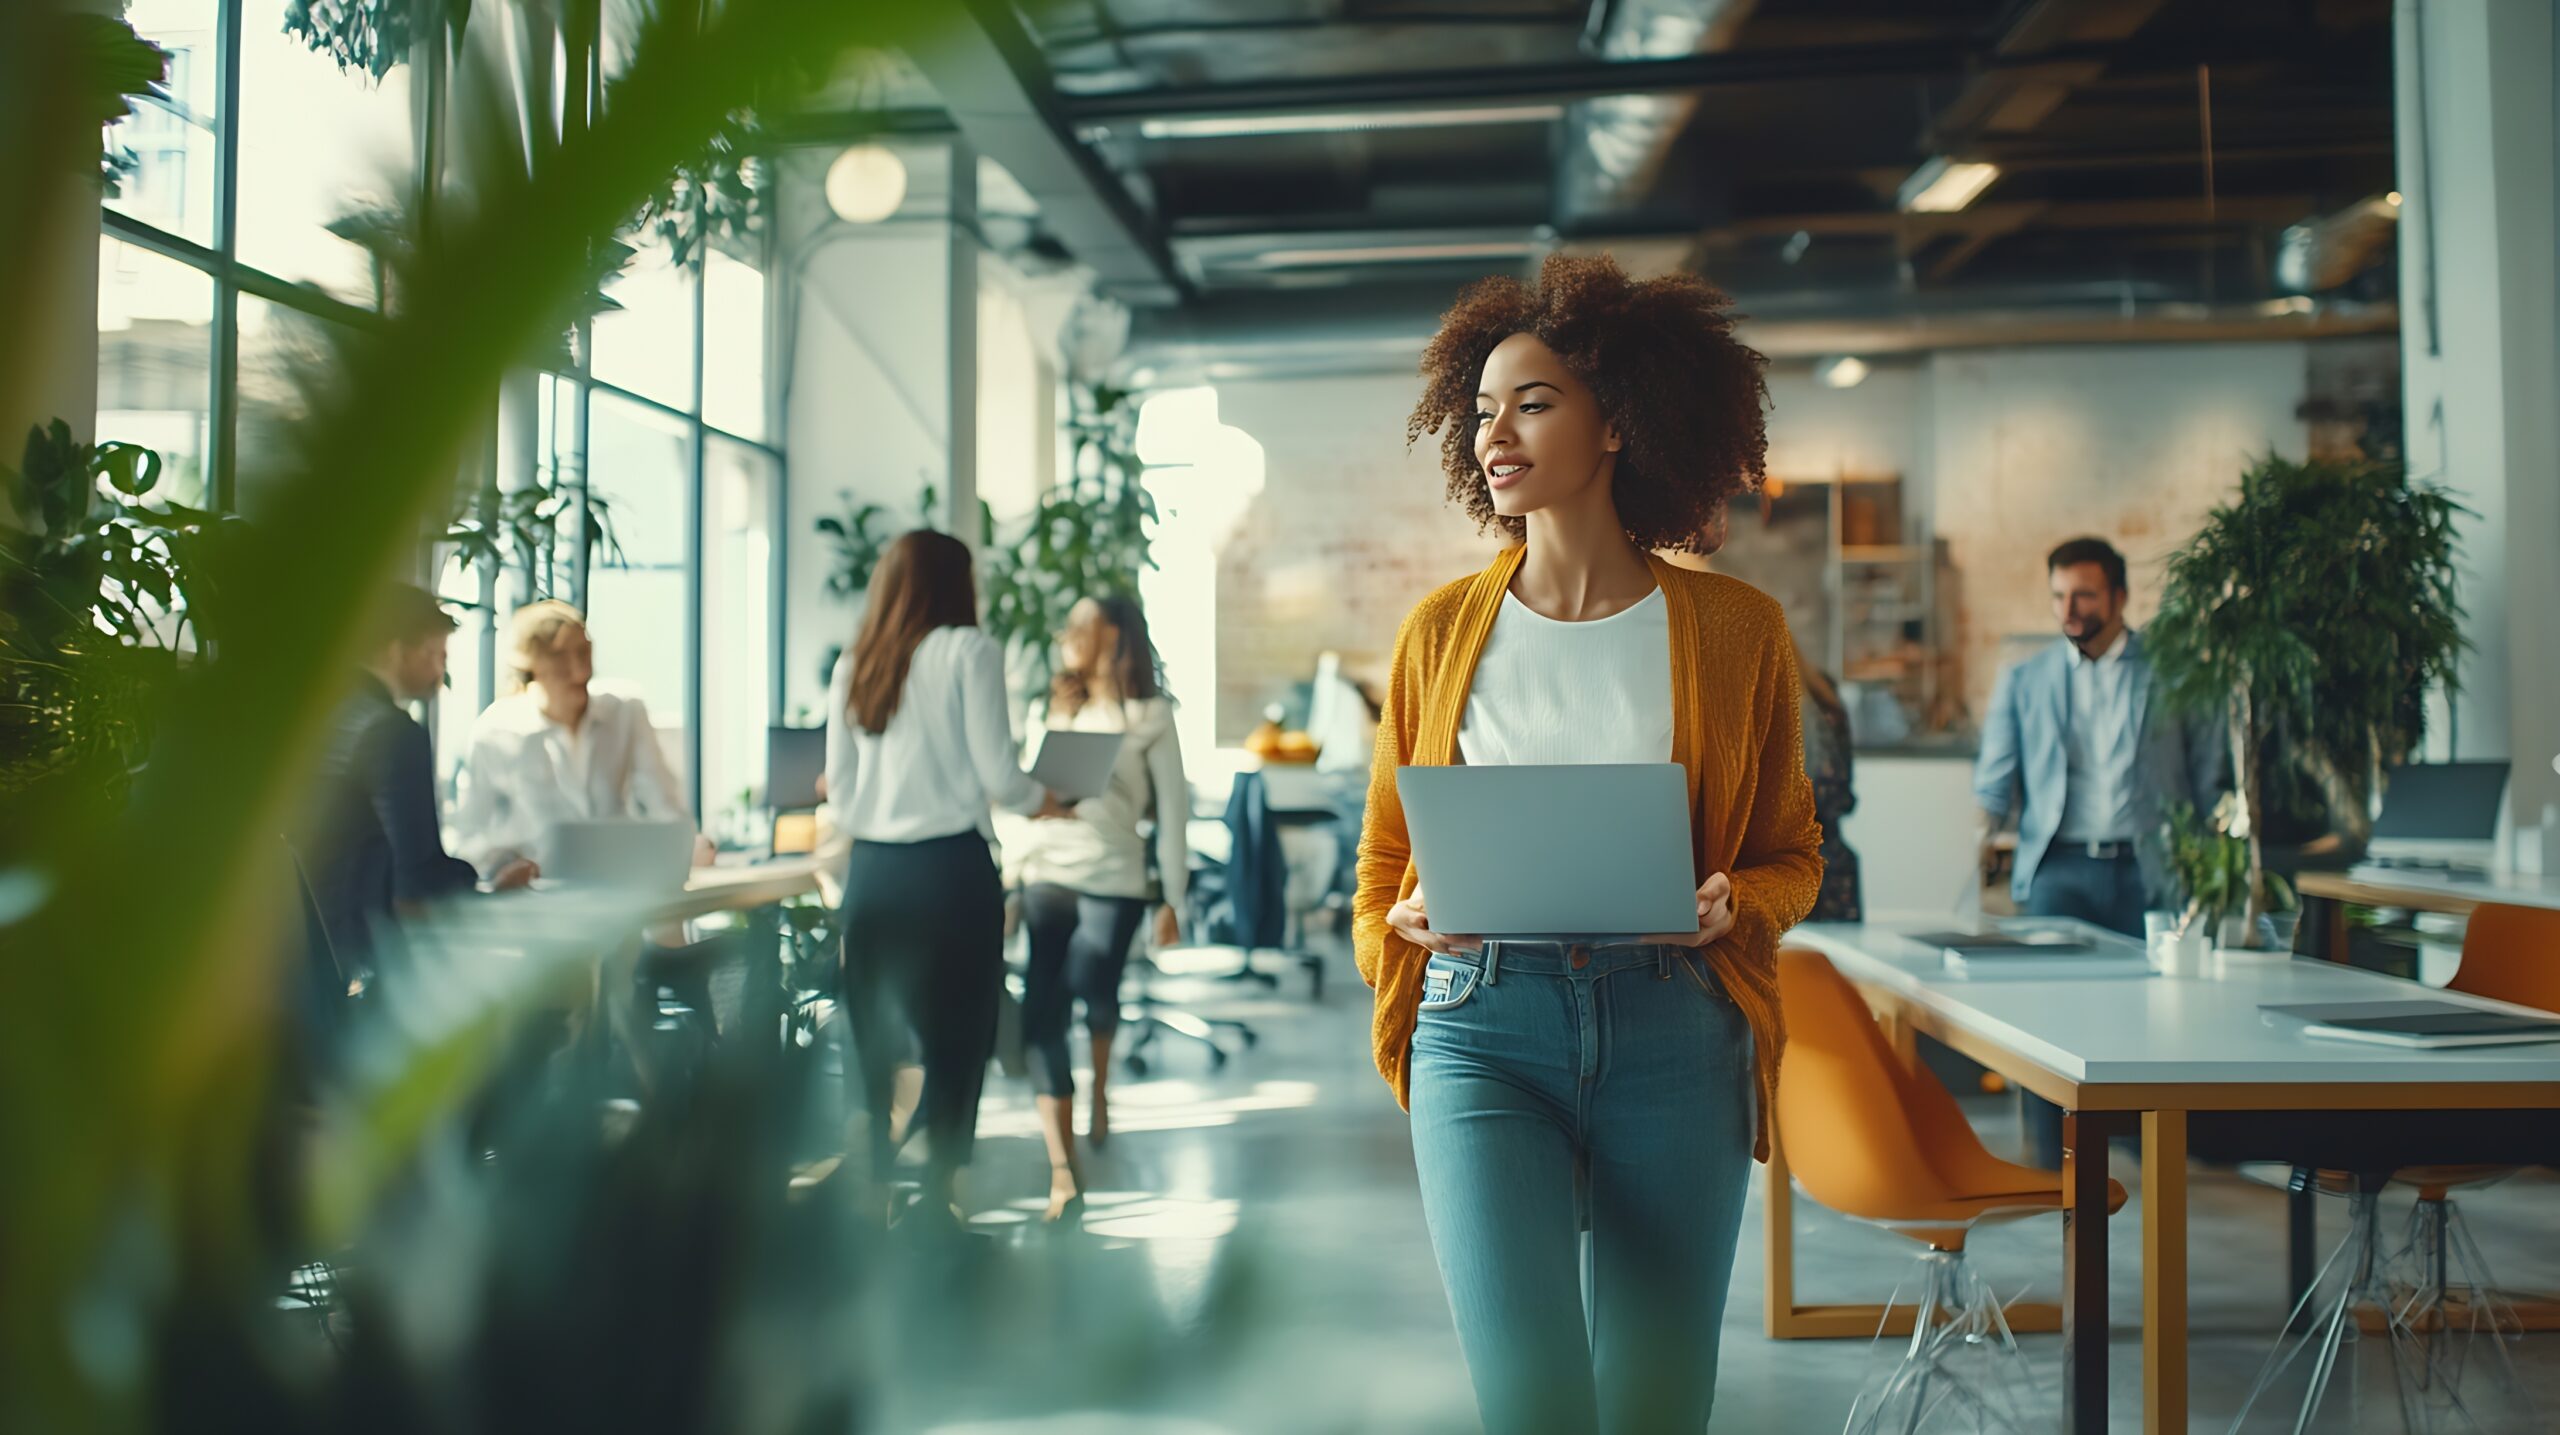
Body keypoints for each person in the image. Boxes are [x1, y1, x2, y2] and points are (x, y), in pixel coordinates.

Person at [1356, 253, 1824, 1435]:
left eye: (1532, 402)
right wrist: (1400, 930)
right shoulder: (1437, 633)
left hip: (1676, 1026)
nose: (1493, 435)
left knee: (1657, 1404)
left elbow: (1792, 852)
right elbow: (1378, 868)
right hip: (1480, 1028)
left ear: (1617, 421)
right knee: (1531, 1404)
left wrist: (1738, 903)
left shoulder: (1734, 629)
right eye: (1479, 412)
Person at [824, 530, 1058, 1228]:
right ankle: (937, 1201)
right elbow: (999, 776)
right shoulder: (968, 650)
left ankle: (871, 1189)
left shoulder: (855, 662)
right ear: (957, 584)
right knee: (958, 1036)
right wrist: (1045, 798)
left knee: (874, 1033)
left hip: (872, 873)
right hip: (949, 872)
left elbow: (839, 791)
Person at [1974, 535, 2224, 1165]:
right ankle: (2048, 1162)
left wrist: (2210, 865)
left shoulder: (2175, 670)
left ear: (2118, 596)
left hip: (2150, 871)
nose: (2069, 609)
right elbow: (1994, 780)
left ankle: (2152, 1156)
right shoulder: (2025, 678)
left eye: (2083, 594)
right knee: (2046, 1018)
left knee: (2152, 1019)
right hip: (2059, 868)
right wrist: (1980, 842)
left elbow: (2208, 776)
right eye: (2059, 595)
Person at [1012, 594, 1188, 1223]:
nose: (1068, 633)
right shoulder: (1049, 706)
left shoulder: (1150, 716)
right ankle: (1064, 1169)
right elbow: (1027, 800)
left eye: (1084, 623)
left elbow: (1172, 813)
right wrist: (1011, 879)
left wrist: (1172, 897)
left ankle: (1101, 1094)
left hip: (1114, 873)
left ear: (1114, 635)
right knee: (1043, 1009)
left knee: (1097, 988)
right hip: (1048, 869)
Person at [297, 585, 536, 1009]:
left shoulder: (315, 717)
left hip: (301, 965)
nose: (441, 673)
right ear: (394, 651)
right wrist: (488, 887)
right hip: (366, 969)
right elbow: (417, 884)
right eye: (435, 654)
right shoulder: (392, 732)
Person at [1665, 504, 1862, 922]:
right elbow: (1842, 796)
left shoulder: (1727, 693)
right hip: (1829, 879)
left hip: (1751, 887)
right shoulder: (1822, 692)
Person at [452, 600, 700, 875]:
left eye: (585, 652)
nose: (580, 670)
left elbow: (664, 805)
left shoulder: (624, 712)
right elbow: (469, 834)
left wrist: (686, 847)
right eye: (560, 656)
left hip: (615, 881)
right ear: (531, 664)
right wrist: (503, 867)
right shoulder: (496, 731)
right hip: (535, 894)